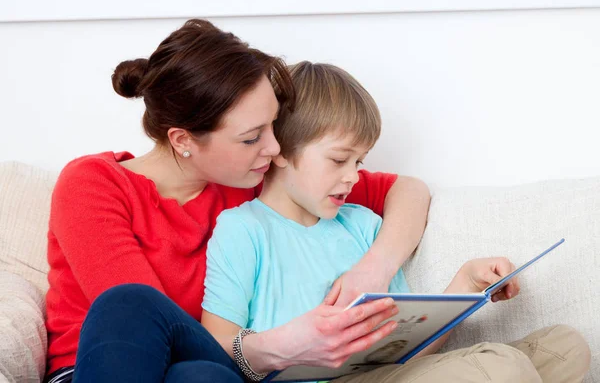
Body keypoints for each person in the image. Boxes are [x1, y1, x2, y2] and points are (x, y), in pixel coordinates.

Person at [44, 19, 431, 383]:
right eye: (252, 137)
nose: (275, 147)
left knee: (199, 376)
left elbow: (408, 191)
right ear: (183, 141)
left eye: (273, 124)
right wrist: (281, 346)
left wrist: (374, 269)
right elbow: (146, 323)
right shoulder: (93, 185)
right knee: (130, 305)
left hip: (207, 368)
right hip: (100, 367)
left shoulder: (254, 177)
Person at [201, 62, 592, 383]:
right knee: (503, 367)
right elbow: (217, 347)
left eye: (360, 162)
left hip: (387, 375)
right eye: (339, 160)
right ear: (280, 150)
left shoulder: (364, 227)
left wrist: (465, 286)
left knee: (567, 346)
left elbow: (405, 351)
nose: (353, 177)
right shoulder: (242, 229)